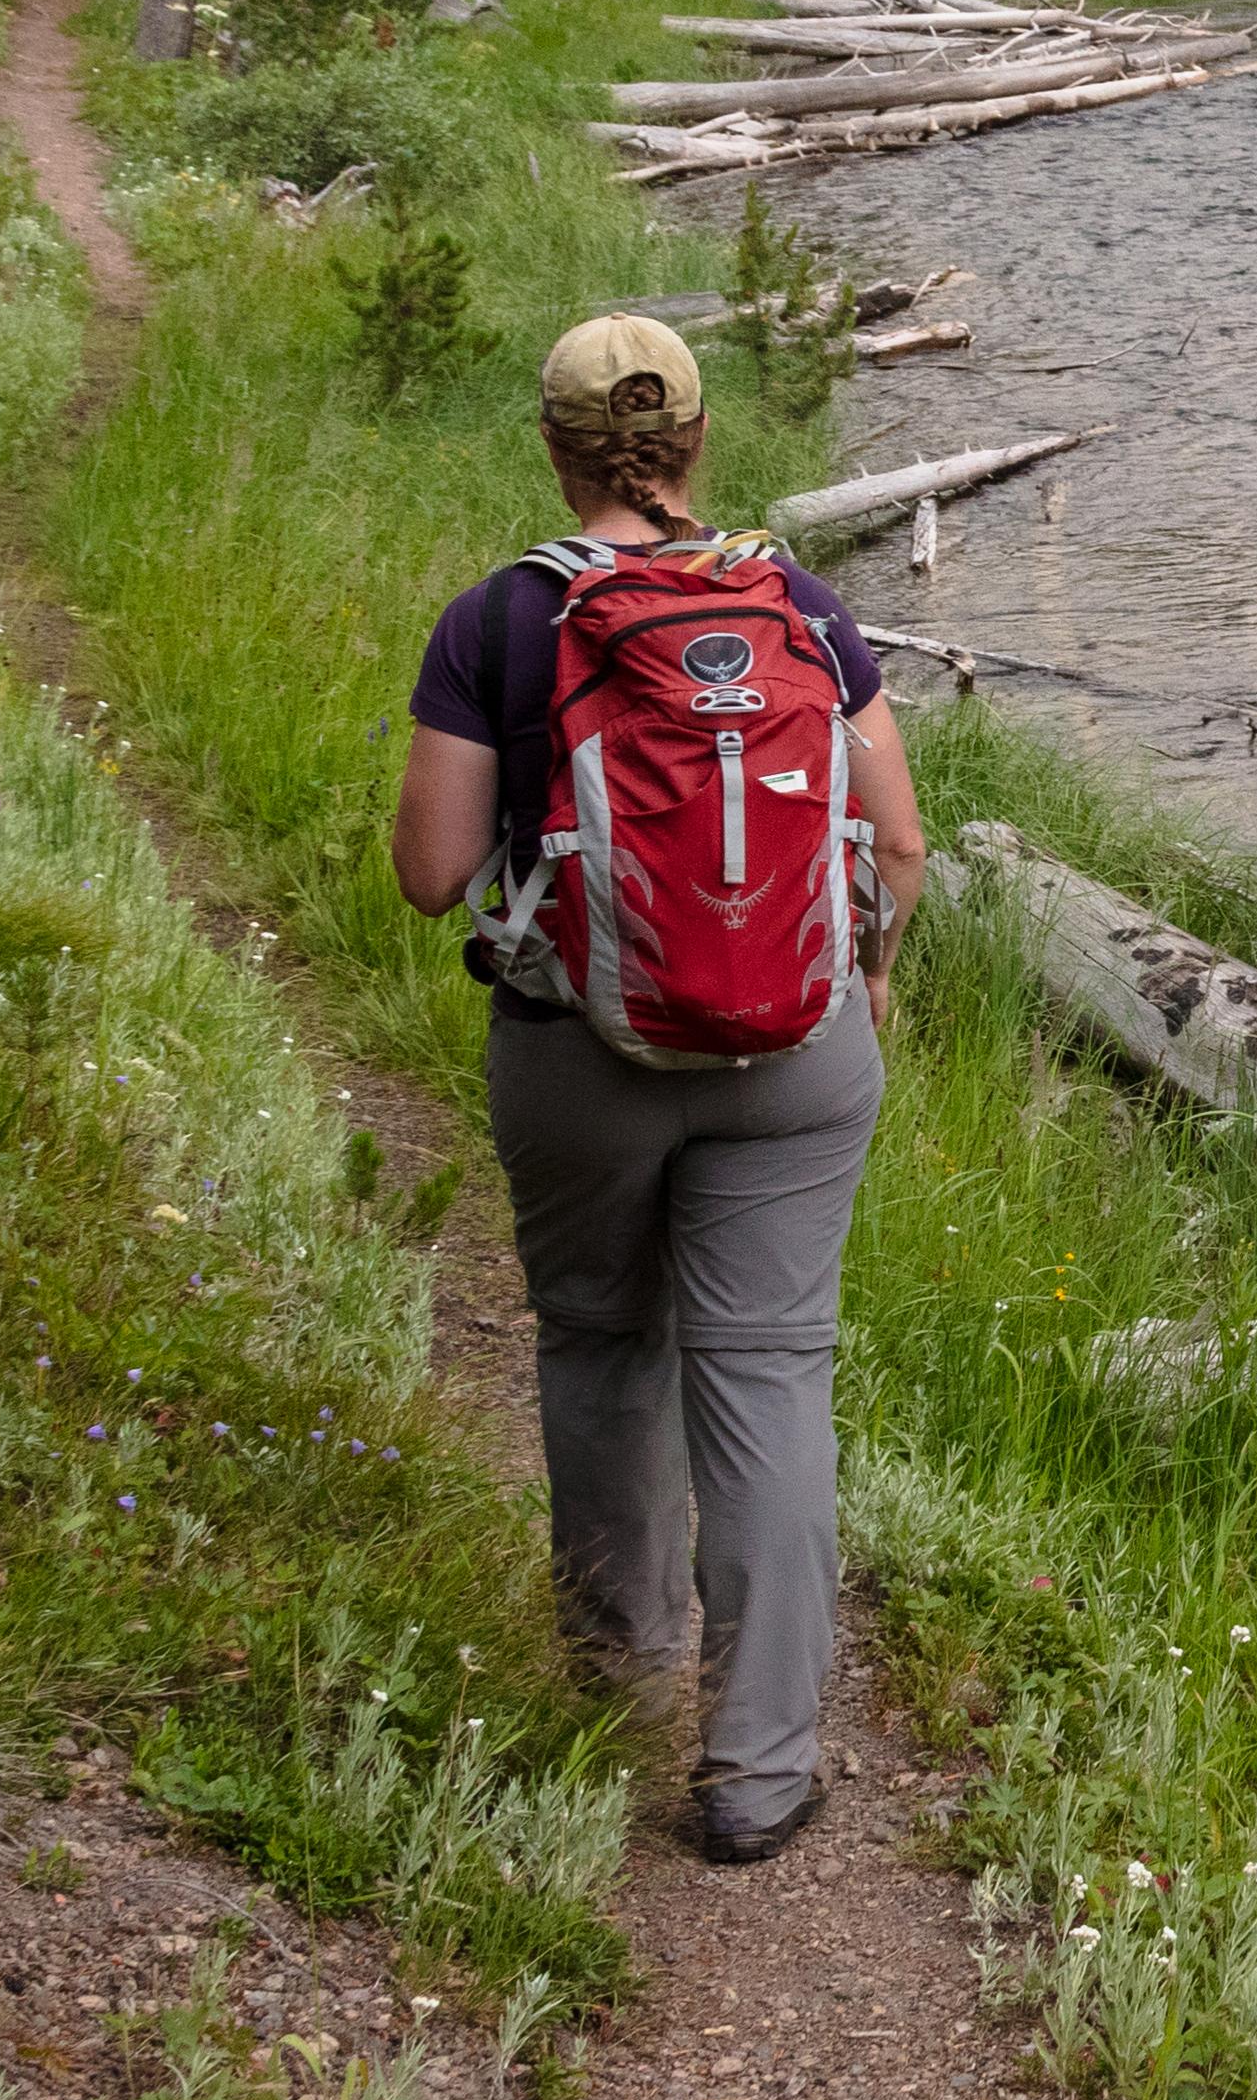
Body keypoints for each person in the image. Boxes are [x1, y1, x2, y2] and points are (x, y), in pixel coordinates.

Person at [388, 312, 924, 1865]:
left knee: (602, 1342)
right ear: (697, 442)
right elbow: (897, 842)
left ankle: (610, 1684)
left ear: (555, 445)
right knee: (768, 1375)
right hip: (799, 1052)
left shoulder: (497, 624)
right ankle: (759, 1772)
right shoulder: (802, 609)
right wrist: (867, 977)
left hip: (581, 1053)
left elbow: (433, 877)